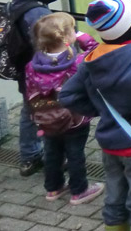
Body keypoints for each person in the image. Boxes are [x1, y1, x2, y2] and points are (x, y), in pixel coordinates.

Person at [59, 0, 131, 231]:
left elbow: (67, 96)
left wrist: (100, 110)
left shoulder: (90, 61)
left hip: (110, 142)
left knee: (115, 192)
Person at [24, 12, 103, 204]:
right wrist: (83, 38)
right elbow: (97, 53)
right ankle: (79, 191)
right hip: (75, 119)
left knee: (52, 152)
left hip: (46, 120)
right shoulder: (76, 62)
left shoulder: (32, 65)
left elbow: (29, 92)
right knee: (75, 154)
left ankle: (53, 188)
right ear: (68, 37)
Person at [8, 0, 58, 176]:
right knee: (49, 114)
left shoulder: (16, 2)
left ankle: (28, 157)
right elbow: (48, 45)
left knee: (29, 113)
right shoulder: (37, 12)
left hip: (25, 73)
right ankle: (53, 157)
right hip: (41, 75)